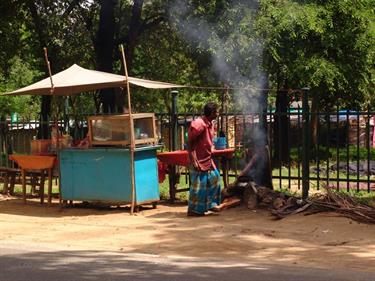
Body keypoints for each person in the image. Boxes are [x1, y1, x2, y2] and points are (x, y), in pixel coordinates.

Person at [187, 102, 221, 216]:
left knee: (215, 178)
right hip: (198, 160)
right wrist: (193, 159)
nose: (218, 114)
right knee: (198, 186)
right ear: (211, 113)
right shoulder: (199, 124)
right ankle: (193, 210)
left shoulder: (209, 124)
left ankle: (209, 205)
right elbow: (190, 143)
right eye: (216, 111)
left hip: (207, 159)